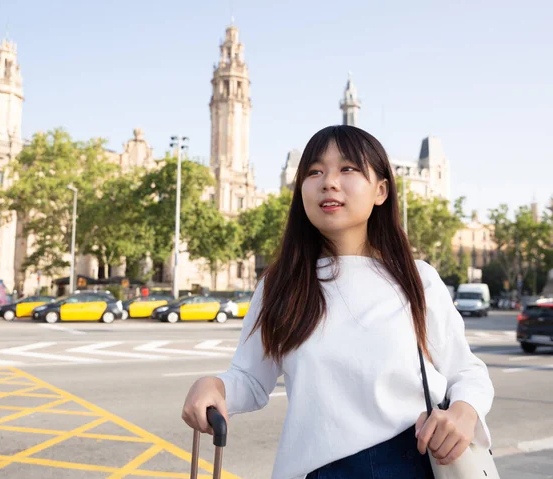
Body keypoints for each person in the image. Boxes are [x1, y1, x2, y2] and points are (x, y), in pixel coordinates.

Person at [182, 125, 494, 479]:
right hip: (314, 471)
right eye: (314, 171)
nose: (328, 182)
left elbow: (466, 371)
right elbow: (251, 380)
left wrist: (464, 413)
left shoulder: (417, 280)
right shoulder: (280, 284)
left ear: (380, 191)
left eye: (347, 169)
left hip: (410, 463)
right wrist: (215, 386)